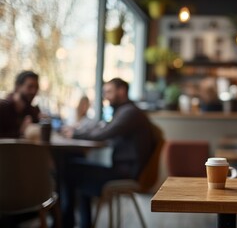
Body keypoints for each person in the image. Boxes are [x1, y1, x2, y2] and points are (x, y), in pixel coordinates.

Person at [62, 78, 157, 228]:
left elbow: (105, 133)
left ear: (122, 91)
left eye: (109, 92)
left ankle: (66, 223)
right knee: (75, 168)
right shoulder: (125, 112)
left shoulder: (130, 113)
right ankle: (81, 223)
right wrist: (78, 131)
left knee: (69, 169)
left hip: (125, 174)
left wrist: (75, 134)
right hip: (124, 171)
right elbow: (102, 129)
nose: (106, 96)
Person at [0, 71, 40, 138]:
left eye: (36, 87)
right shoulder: (2, 108)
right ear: (17, 87)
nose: (34, 91)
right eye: (30, 87)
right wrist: (20, 133)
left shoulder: (32, 111)